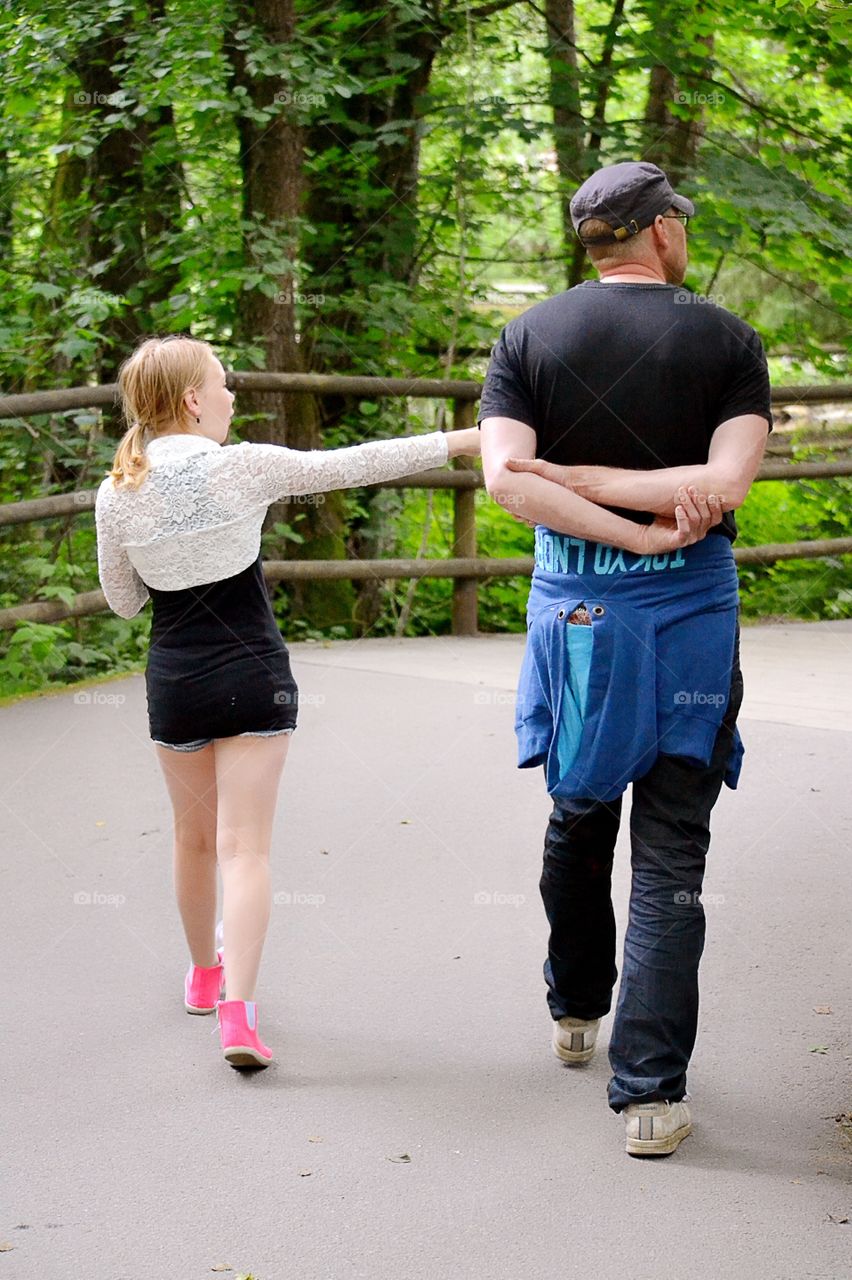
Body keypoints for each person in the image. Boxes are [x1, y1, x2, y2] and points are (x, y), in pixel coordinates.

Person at [478, 160, 772, 1156]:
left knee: (579, 803)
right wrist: (655, 525)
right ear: (658, 232)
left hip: (580, 621)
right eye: (680, 219)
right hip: (691, 614)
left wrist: (574, 484)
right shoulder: (726, 338)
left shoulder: (528, 336)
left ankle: (574, 1006)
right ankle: (649, 1093)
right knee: (673, 847)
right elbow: (723, 484)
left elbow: (509, 482)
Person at [95, 334, 480, 1070]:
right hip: (252, 672)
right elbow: (359, 463)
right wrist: (464, 436)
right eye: (223, 383)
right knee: (246, 849)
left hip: (174, 679)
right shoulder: (244, 467)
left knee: (193, 841)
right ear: (191, 401)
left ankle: (202, 978)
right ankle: (237, 1016)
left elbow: (121, 603)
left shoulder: (118, 491)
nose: (233, 395)